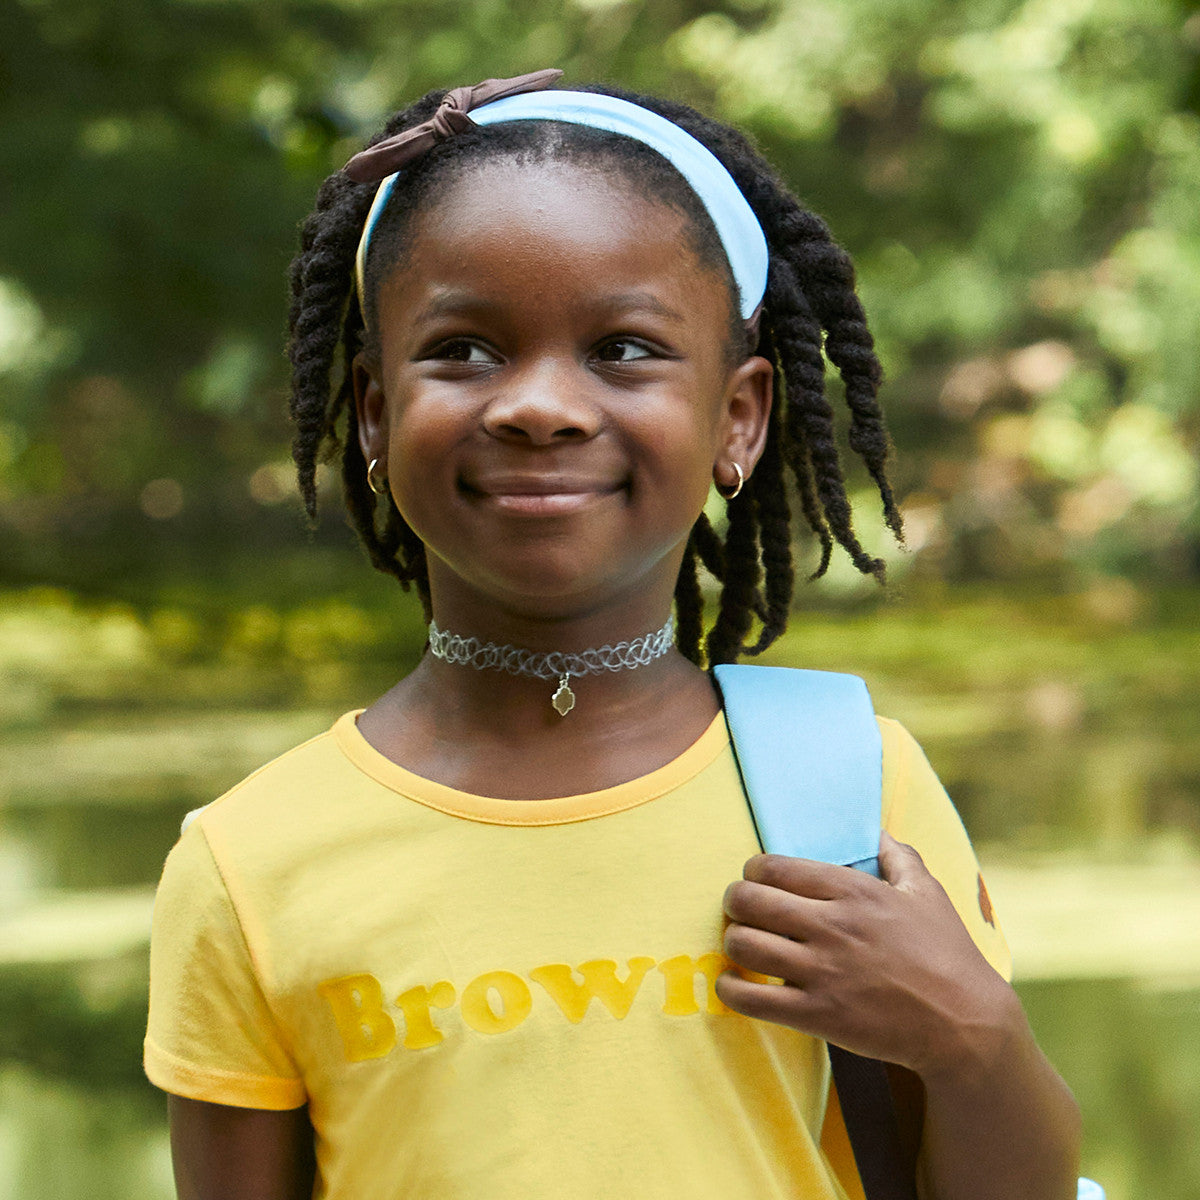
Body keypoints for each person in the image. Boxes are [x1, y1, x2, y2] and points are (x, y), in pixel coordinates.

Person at [145, 70, 1082, 1200]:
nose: (541, 404)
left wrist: (970, 1034)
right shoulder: (250, 864)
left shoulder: (852, 786)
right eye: (467, 350)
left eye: (625, 350)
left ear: (737, 419)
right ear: (376, 411)